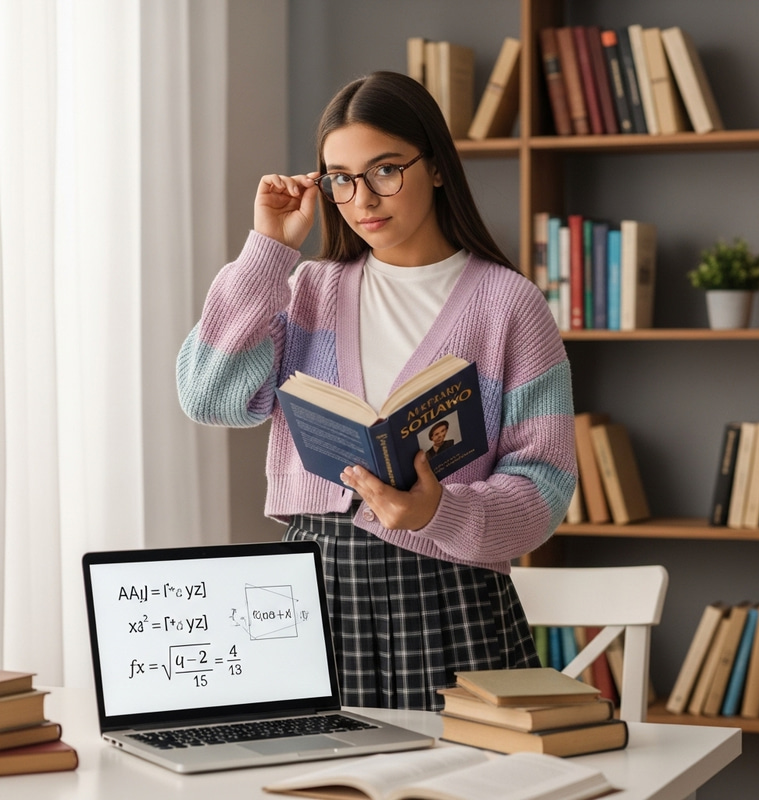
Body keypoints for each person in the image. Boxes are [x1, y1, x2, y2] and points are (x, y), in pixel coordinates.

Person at [177, 71, 576, 711]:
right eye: (341, 178)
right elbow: (208, 394)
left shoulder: (510, 306)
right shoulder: (308, 289)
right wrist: (266, 253)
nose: (363, 198)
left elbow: (545, 487)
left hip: (451, 594)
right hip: (313, 588)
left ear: (437, 167)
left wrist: (438, 512)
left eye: (385, 170)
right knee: (316, 778)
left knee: (455, 782)